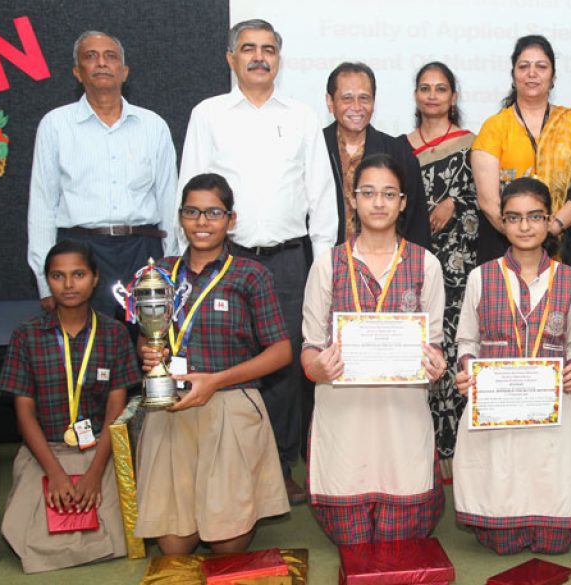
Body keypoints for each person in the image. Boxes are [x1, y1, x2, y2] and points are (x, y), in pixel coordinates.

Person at [177, 18, 337, 503]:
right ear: (231, 58)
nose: (259, 56)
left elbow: (322, 199)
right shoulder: (208, 114)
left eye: (268, 49)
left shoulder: (302, 116)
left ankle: (282, 463)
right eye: (248, 48)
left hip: (290, 261)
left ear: (279, 60)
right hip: (226, 261)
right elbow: (190, 190)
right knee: (229, 361)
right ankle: (230, 460)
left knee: (284, 368)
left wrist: (324, 271)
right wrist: (188, 263)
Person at [133, 172, 292, 554]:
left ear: (230, 220)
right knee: (174, 545)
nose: (202, 222)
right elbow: (146, 333)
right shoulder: (158, 275)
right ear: (181, 217)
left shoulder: (250, 274)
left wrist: (217, 381)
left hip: (229, 404)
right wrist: (147, 349)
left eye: (213, 213)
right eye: (192, 212)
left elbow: (281, 351)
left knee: (226, 545)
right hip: (171, 407)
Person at [301, 153, 447, 544]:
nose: (378, 203)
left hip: (401, 419)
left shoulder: (426, 265)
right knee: (353, 543)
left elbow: (434, 347)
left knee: (400, 543)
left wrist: (436, 364)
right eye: (368, 193)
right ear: (353, 199)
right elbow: (310, 348)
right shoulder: (328, 265)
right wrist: (317, 367)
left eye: (388, 194)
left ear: (403, 202)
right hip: (344, 420)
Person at [453, 177, 571, 554]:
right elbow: (467, 340)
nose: (525, 226)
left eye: (535, 216)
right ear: (502, 222)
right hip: (497, 410)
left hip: (553, 410)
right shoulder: (481, 277)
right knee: (501, 535)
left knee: (553, 538)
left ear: (549, 221)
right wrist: (468, 369)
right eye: (514, 218)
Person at [0, 240, 140, 573]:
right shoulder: (26, 336)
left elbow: (115, 413)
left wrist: (93, 475)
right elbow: (24, 414)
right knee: (33, 537)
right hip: (44, 451)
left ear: (94, 279)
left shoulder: (115, 334)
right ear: (47, 281)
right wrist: (56, 474)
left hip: (99, 449)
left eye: (78, 274)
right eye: (58, 276)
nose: (68, 284)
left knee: (119, 532)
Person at [27, 31, 178, 319]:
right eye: (90, 56)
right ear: (77, 72)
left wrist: (171, 267)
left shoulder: (153, 125)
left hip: (142, 250)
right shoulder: (56, 125)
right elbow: (43, 206)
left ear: (124, 71)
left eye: (110, 56)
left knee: (150, 348)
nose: (101, 63)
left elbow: (170, 202)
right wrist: (45, 282)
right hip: (80, 253)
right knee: (87, 351)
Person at [402, 62, 479, 472]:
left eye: (441, 88)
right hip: (415, 263)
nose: (432, 95)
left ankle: (457, 452)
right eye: (425, 88)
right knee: (422, 345)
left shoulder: (472, 144)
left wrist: (456, 203)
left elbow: (488, 197)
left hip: (460, 263)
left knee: (455, 346)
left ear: (453, 96)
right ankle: (424, 451)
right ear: (416, 96)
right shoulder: (400, 147)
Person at [471, 35, 571, 267]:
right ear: (513, 75)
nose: (532, 73)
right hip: (506, 248)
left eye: (541, 66)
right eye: (524, 66)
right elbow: (488, 201)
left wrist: (550, 228)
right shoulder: (494, 127)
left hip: (565, 247)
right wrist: (521, 233)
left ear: (553, 76)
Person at [323, 62, 431, 248]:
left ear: (374, 102)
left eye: (364, 98)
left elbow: (416, 223)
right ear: (330, 102)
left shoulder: (398, 152)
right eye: (347, 98)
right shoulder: (315, 148)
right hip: (326, 264)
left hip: (386, 267)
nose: (356, 107)